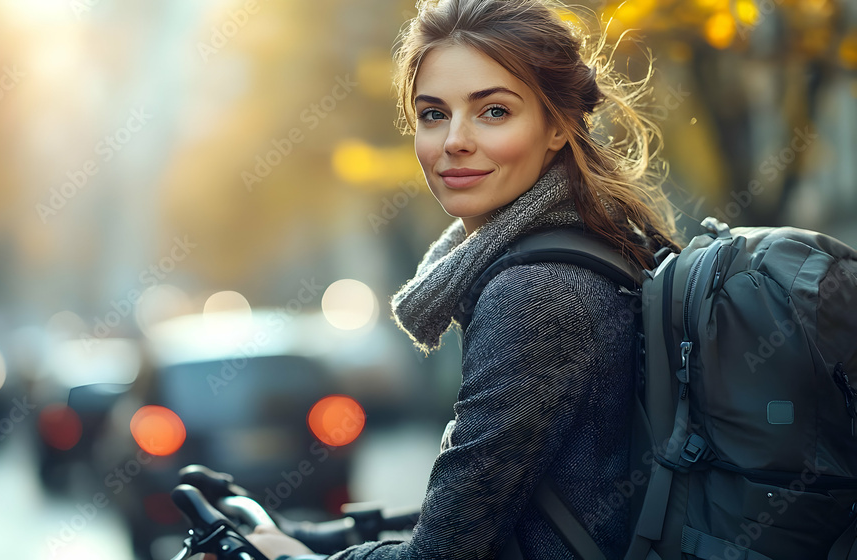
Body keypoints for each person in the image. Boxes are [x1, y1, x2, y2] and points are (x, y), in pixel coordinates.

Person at [237, 0, 683, 558]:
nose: (454, 141)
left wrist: (293, 558)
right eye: (433, 114)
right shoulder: (597, 246)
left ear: (557, 127)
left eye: (493, 111)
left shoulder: (536, 293)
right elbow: (499, 502)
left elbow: (444, 553)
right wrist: (314, 537)